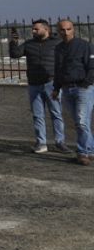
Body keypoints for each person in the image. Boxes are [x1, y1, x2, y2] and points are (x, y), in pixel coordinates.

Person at [8, 19, 66, 153]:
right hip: (34, 84)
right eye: (33, 29)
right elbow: (15, 54)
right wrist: (13, 42)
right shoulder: (29, 44)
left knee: (56, 113)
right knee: (37, 115)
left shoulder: (57, 43)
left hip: (51, 83)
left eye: (36, 29)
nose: (33, 31)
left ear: (46, 29)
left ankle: (60, 142)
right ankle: (41, 143)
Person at [51, 19, 94, 166]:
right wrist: (56, 88)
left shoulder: (84, 45)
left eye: (68, 29)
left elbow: (92, 66)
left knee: (82, 123)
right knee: (80, 122)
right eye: (62, 30)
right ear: (59, 31)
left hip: (83, 89)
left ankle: (82, 153)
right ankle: (90, 150)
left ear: (73, 29)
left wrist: (86, 83)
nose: (65, 32)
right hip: (66, 89)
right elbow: (58, 69)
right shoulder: (58, 49)